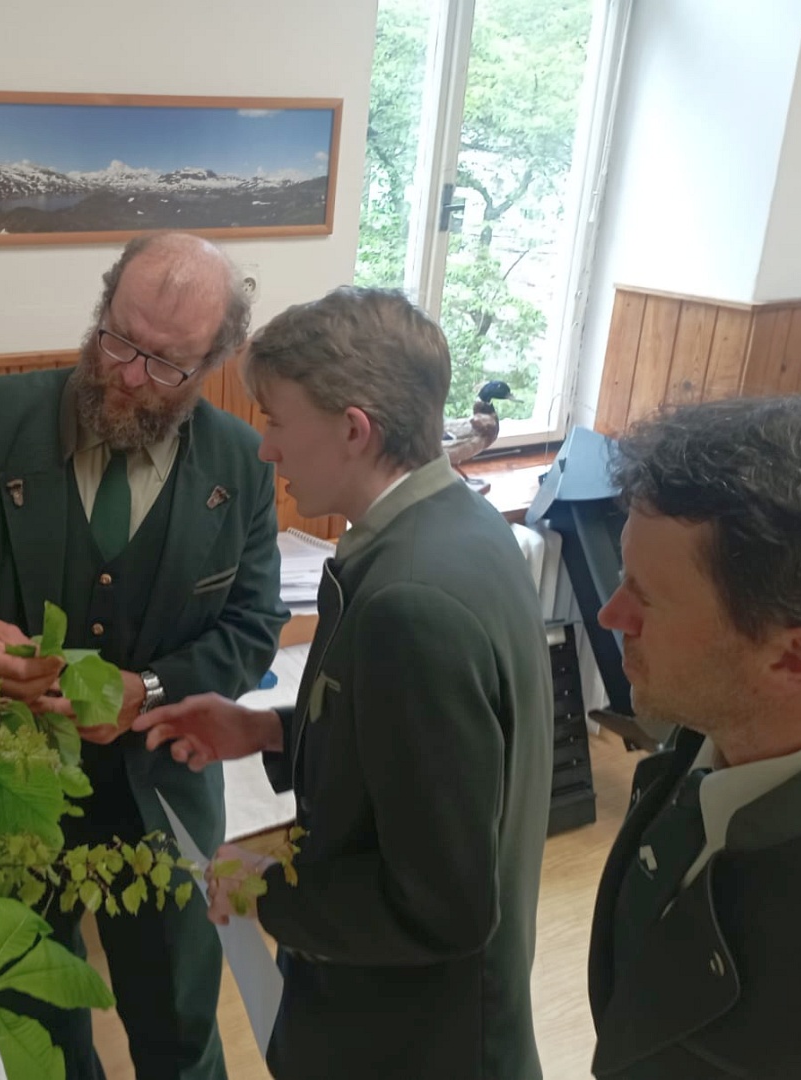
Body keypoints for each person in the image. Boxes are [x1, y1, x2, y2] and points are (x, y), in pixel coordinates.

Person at [0, 231, 286, 1080]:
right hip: (6, 784)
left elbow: (251, 625)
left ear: (213, 361)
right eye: (117, 339)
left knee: (178, 1023)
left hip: (160, 789)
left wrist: (149, 687)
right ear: (102, 306)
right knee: (36, 1021)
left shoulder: (241, 463)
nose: (127, 376)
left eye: (164, 363)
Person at [135, 285, 553, 1079]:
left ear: (353, 430)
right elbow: (425, 755)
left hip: (409, 1042)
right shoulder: (461, 524)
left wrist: (266, 887)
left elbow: (441, 906)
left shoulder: (410, 602)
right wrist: (266, 729)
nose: (266, 450)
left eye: (276, 421)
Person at [586, 394, 801, 1079]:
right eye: (622, 576)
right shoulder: (713, 722)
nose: (609, 615)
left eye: (645, 598)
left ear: (792, 659)